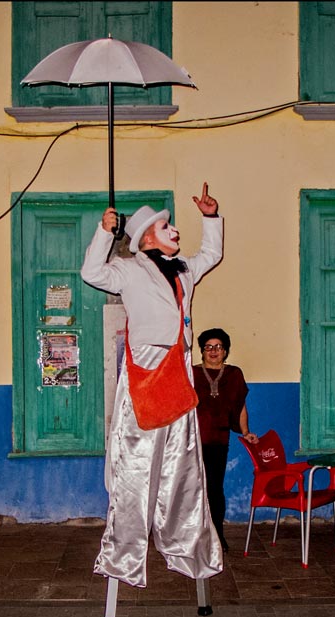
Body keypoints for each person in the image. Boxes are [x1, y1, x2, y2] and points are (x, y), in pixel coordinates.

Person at [80, 182, 225, 589]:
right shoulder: (129, 269)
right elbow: (91, 272)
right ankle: (124, 555)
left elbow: (212, 253)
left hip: (177, 372)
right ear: (147, 236)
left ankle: (185, 546)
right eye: (167, 226)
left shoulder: (183, 270)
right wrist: (105, 232)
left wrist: (210, 217)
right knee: (136, 467)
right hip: (145, 370)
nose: (175, 230)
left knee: (183, 468)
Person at [193, 328, 258, 553]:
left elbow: (240, 406)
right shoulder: (191, 373)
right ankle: (191, 538)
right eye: (208, 347)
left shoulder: (234, 375)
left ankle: (217, 536)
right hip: (191, 442)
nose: (213, 351)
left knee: (214, 489)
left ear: (226, 351)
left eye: (218, 347)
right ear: (202, 350)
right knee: (191, 489)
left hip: (218, 440)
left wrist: (245, 431)